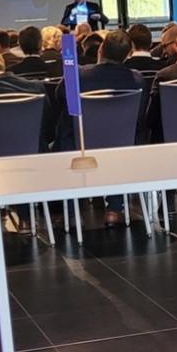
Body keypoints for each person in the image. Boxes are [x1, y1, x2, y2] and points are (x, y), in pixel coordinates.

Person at [55, 30, 144, 225]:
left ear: (101, 49)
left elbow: (60, 98)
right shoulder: (137, 79)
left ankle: (70, 211)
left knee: (66, 126)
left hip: (82, 146)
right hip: (122, 146)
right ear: (129, 54)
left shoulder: (77, 75)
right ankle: (114, 208)